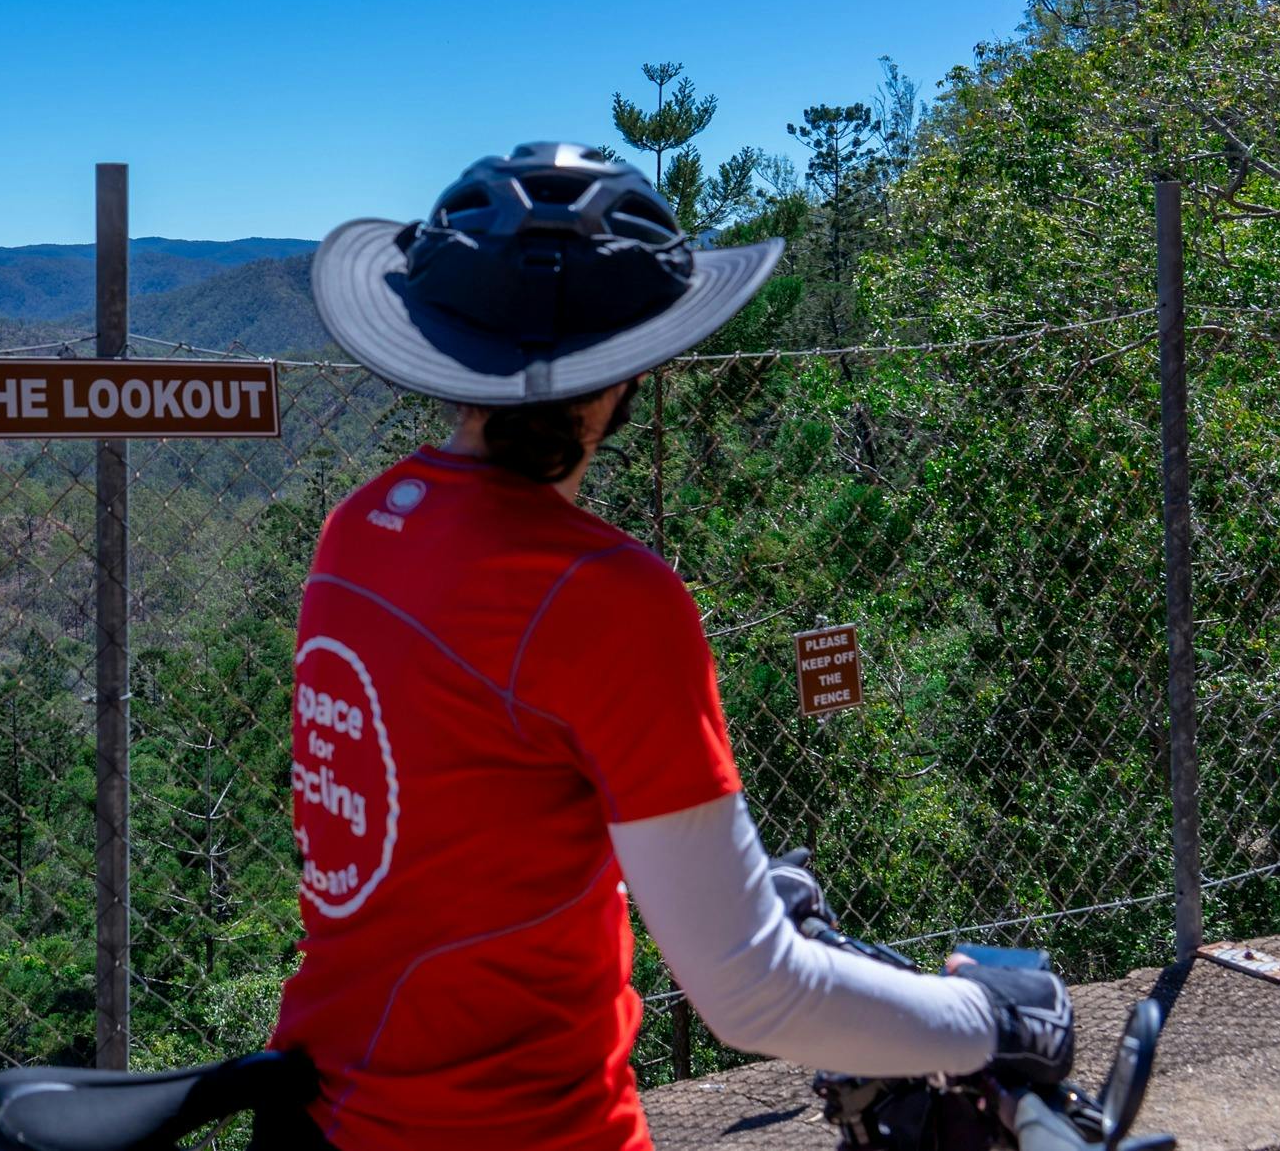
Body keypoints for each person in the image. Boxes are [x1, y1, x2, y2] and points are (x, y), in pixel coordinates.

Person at [267, 143, 1072, 1151]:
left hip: (327, 1112)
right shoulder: (604, 596)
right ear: (628, 373)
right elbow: (748, 990)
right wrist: (992, 1018)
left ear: (443, 343)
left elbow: (468, 827)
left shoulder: (359, 527)